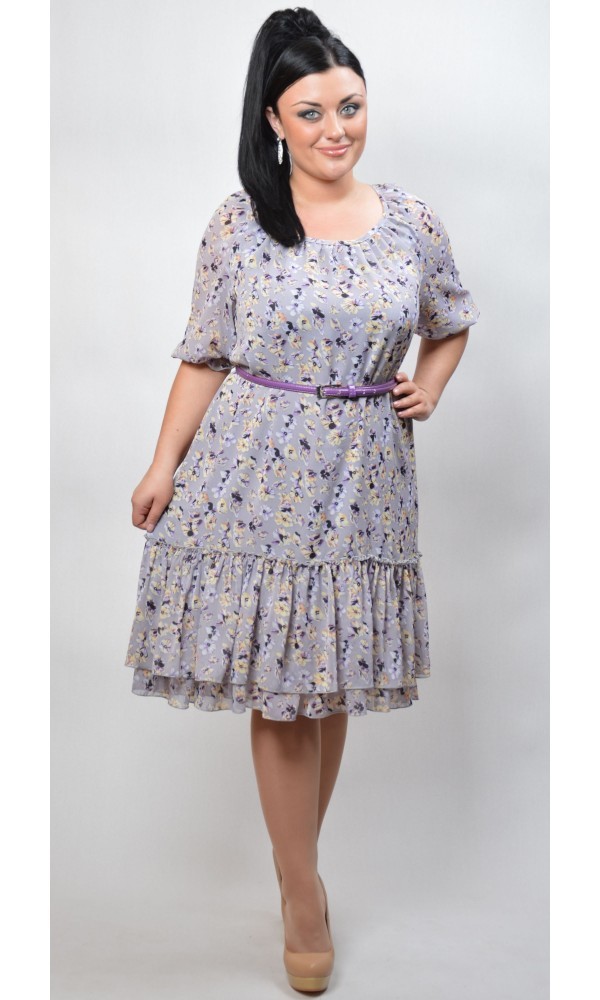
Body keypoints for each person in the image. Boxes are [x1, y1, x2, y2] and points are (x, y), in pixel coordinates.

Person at [124, 6, 480, 993]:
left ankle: (298, 873)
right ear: (273, 119)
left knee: (328, 678)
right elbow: (205, 352)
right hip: (255, 475)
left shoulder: (411, 220)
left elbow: (451, 318)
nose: (336, 129)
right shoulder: (239, 222)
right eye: (312, 111)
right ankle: (301, 893)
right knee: (282, 690)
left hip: (367, 479)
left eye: (350, 106)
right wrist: (162, 463)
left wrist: (431, 384)